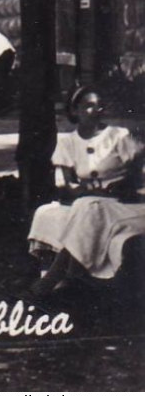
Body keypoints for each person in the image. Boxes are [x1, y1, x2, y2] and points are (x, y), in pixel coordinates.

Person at [25, 87, 145, 298]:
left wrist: (122, 187)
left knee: (89, 207)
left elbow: (138, 173)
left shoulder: (118, 136)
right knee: (46, 212)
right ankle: (50, 273)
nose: (96, 110)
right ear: (75, 110)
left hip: (123, 202)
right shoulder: (68, 142)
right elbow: (68, 185)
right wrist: (86, 192)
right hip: (89, 199)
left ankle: (62, 276)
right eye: (89, 105)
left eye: (99, 105)